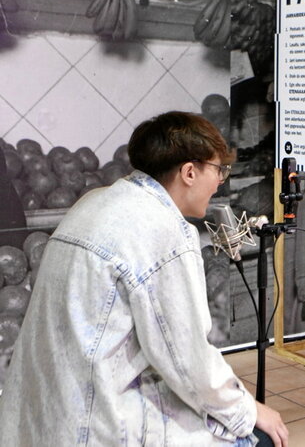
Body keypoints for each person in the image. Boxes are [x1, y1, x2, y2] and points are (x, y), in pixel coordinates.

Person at [0, 111, 288, 446]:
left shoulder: (93, 202)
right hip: (93, 426)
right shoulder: (163, 229)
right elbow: (188, 361)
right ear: (189, 172)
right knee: (257, 437)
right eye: (218, 170)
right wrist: (249, 411)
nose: (220, 181)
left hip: (36, 419)